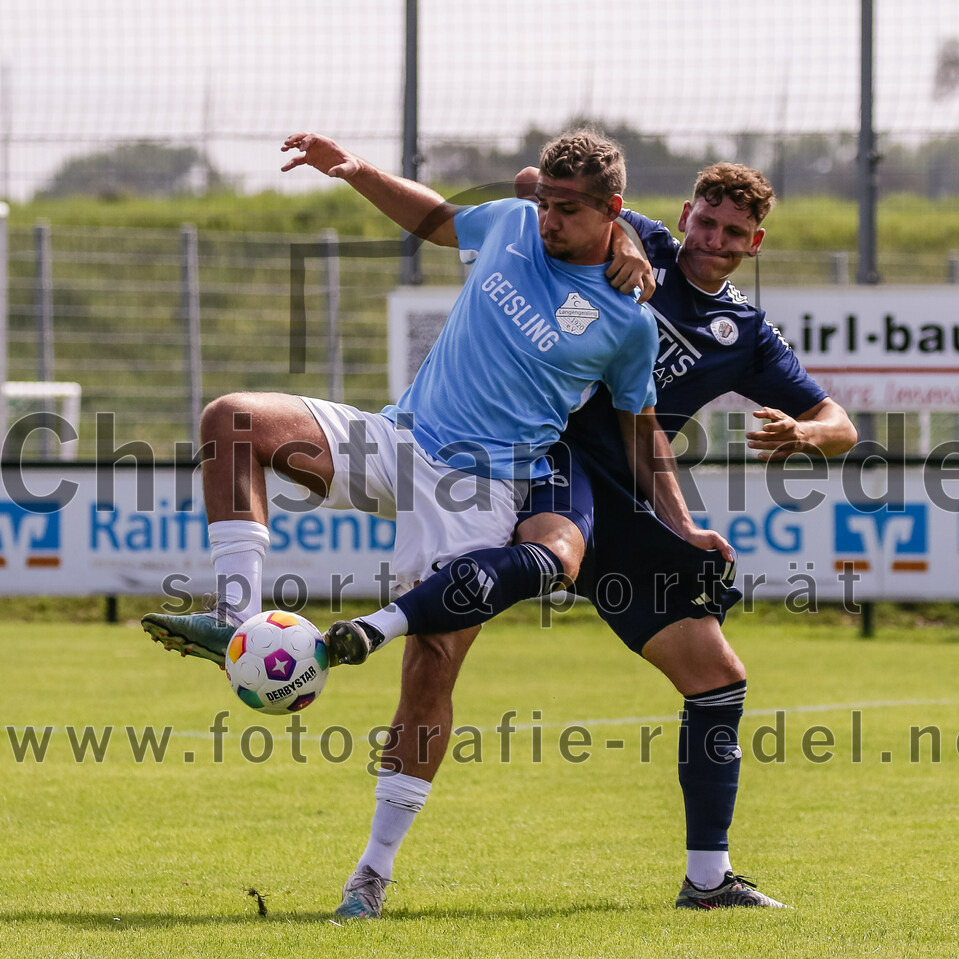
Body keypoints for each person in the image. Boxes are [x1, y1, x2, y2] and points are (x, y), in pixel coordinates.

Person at [141, 130, 732, 916]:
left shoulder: (627, 325)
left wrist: (684, 526)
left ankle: (370, 875)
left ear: (610, 211)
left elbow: (641, 431)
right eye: (547, 203)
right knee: (234, 420)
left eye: (567, 210)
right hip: (398, 437)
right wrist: (355, 171)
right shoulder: (515, 224)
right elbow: (434, 220)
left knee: (430, 667)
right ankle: (237, 622)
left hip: (481, 487)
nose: (549, 219)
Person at [327, 161, 857, 912]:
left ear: (755, 242)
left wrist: (806, 432)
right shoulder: (640, 238)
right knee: (440, 659)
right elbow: (534, 180)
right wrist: (627, 240)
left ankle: (707, 881)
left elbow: (844, 424)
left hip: (634, 497)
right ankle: (374, 850)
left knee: (718, 679)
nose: (713, 239)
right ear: (686, 211)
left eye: (733, 232)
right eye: (705, 221)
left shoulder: (745, 333)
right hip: (551, 459)